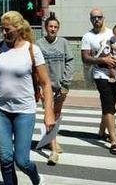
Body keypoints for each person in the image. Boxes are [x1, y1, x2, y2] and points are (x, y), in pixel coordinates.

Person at [0, 11, 55, 185]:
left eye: (7, 29)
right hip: (0, 110)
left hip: (24, 111)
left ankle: (36, 178)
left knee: (22, 161)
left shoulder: (32, 50)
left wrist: (49, 113)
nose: (4, 33)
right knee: (6, 160)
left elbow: (46, 84)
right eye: (2, 29)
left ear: (18, 28)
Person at [81, 8, 116, 155]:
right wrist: (102, 59)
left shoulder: (113, 33)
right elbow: (85, 58)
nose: (96, 20)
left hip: (115, 73)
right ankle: (114, 141)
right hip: (100, 73)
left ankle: (101, 130)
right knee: (108, 104)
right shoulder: (87, 36)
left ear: (103, 18)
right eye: (93, 18)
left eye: (99, 17)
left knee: (112, 102)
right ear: (90, 20)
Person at [36, 14, 74, 164]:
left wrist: (65, 84)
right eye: (50, 26)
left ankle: (51, 139)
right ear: (46, 28)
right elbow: (35, 67)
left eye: (55, 27)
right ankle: (53, 150)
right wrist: (38, 87)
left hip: (60, 86)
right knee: (49, 115)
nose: (53, 29)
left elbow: (70, 63)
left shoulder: (64, 43)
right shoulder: (39, 44)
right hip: (46, 87)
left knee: (56, 114)